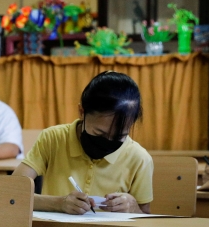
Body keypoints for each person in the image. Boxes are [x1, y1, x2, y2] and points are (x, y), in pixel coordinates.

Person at [13, 71, 153, 215]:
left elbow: (145, 216)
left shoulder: (140, 159)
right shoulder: (53, 139)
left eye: (119, 136)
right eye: (100, 133)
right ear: (81, 112)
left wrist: (133, 207)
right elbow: (13, 193)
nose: (108, 142)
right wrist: (59, 203)